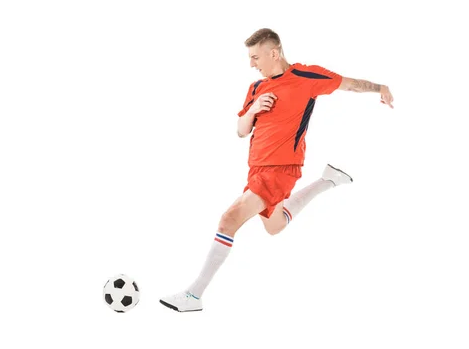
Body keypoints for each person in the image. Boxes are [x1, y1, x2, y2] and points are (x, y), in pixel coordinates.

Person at [159, 28, 394, 312]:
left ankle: (194, 296)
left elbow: (350, 84)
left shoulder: (306, 77)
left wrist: (380, 88)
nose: (251, 64)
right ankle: (327, 181)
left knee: (228, 220)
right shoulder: (256, 88)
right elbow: (240, 130)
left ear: (274, 52)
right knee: (275, 226)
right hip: (256, 170)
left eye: (255, 57)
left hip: (281, 169)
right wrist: (254, 109)